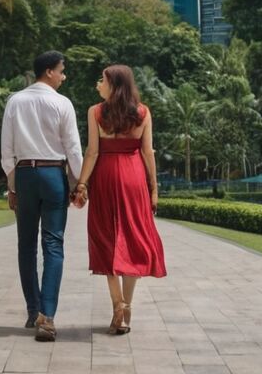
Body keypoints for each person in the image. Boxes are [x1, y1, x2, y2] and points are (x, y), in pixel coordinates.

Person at [73, 64, 167, 336]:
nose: (97, 84)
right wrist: (154, 188)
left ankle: (117, 306)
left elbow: (92, 152)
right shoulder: (143, 112)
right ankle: (128, 309)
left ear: (113, 84)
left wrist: (82, 184)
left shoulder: (95, 112)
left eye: (101, 80)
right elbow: (148, 153)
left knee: (107, 239)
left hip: (105, 178)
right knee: (134, 239)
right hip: (134, 178)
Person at [0, 50, 83, 342]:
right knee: (53, 245)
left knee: (26, 245)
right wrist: (79, 184)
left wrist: (12, 187)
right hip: (53, 175)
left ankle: (33, 310)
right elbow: (73, 149)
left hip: (24, 174)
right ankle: (47, 317)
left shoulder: (15, 101)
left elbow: (6, 150)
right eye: (61, 70)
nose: (63, 75)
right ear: (49, 71)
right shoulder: (62, 103)